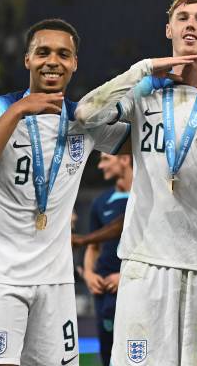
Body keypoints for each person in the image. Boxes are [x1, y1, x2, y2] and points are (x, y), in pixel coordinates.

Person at [0, 18, 136, 366]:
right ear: (27, 59)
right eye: (43, 52)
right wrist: (21, 109)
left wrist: (188, 93)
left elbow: (145, 142)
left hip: (57, 285)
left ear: (75, 63)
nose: (53, 61)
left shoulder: (83, 121)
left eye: (63, 54)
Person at [75, 0, 197, 365]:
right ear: (169, 29)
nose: (191, 24)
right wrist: (143, 69)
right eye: (183, 17)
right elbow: (85, 115)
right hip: (143, 262)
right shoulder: (143, 93)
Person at [83, 152, 132, 366]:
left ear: (125, 159)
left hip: (134, 285)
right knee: (107, 351)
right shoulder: (101, 202)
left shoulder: (148, 198)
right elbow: (92, 246)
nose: (101, 166)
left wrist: (127, 276)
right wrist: (88, 274)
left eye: (105, 159)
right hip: (105, 288)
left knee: (135, 349)